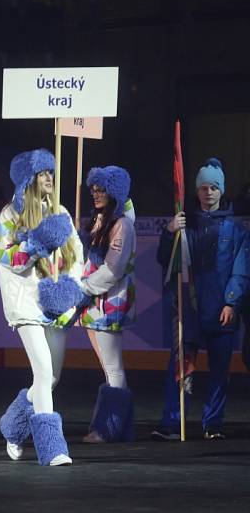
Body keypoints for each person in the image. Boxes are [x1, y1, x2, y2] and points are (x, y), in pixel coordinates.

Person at [0, 149, 83, 467]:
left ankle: (13, 427)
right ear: (28, 179)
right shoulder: (10, 216)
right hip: (25, 304)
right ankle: (52, 448)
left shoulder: (60, 211)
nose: (49, 178)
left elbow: (77, 252)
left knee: (51, 379)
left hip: (56, 305)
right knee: (43, 372)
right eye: (43, 173)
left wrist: (72, 291)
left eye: (51, 172)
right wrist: (37, 243)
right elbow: (9, 259)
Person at [152, 158, 250, 441]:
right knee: (179, 369)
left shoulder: (236, 230)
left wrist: (232, 302)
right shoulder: (185, 224)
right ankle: (171, 422)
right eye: (204, 188)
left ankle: (213, 423)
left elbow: (241, 270)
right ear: (197, 191)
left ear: (221, 191)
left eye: (213, 188)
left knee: (219, 372)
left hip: (221, 310)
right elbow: (165, 260)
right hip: (190, 310)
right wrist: (170, 232)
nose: (208, 192)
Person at [78, 166, 136, 443]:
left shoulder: (122, 224)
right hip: (94, 305)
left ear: (114, 192)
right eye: (94, 190)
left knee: (113, 368)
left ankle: (109, 428)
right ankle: (121, 427)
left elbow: (114, 269)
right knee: (109, 367)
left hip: (109, 303)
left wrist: (82, 288)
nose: (96, 194)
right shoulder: (97, 220)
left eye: (102, 190)